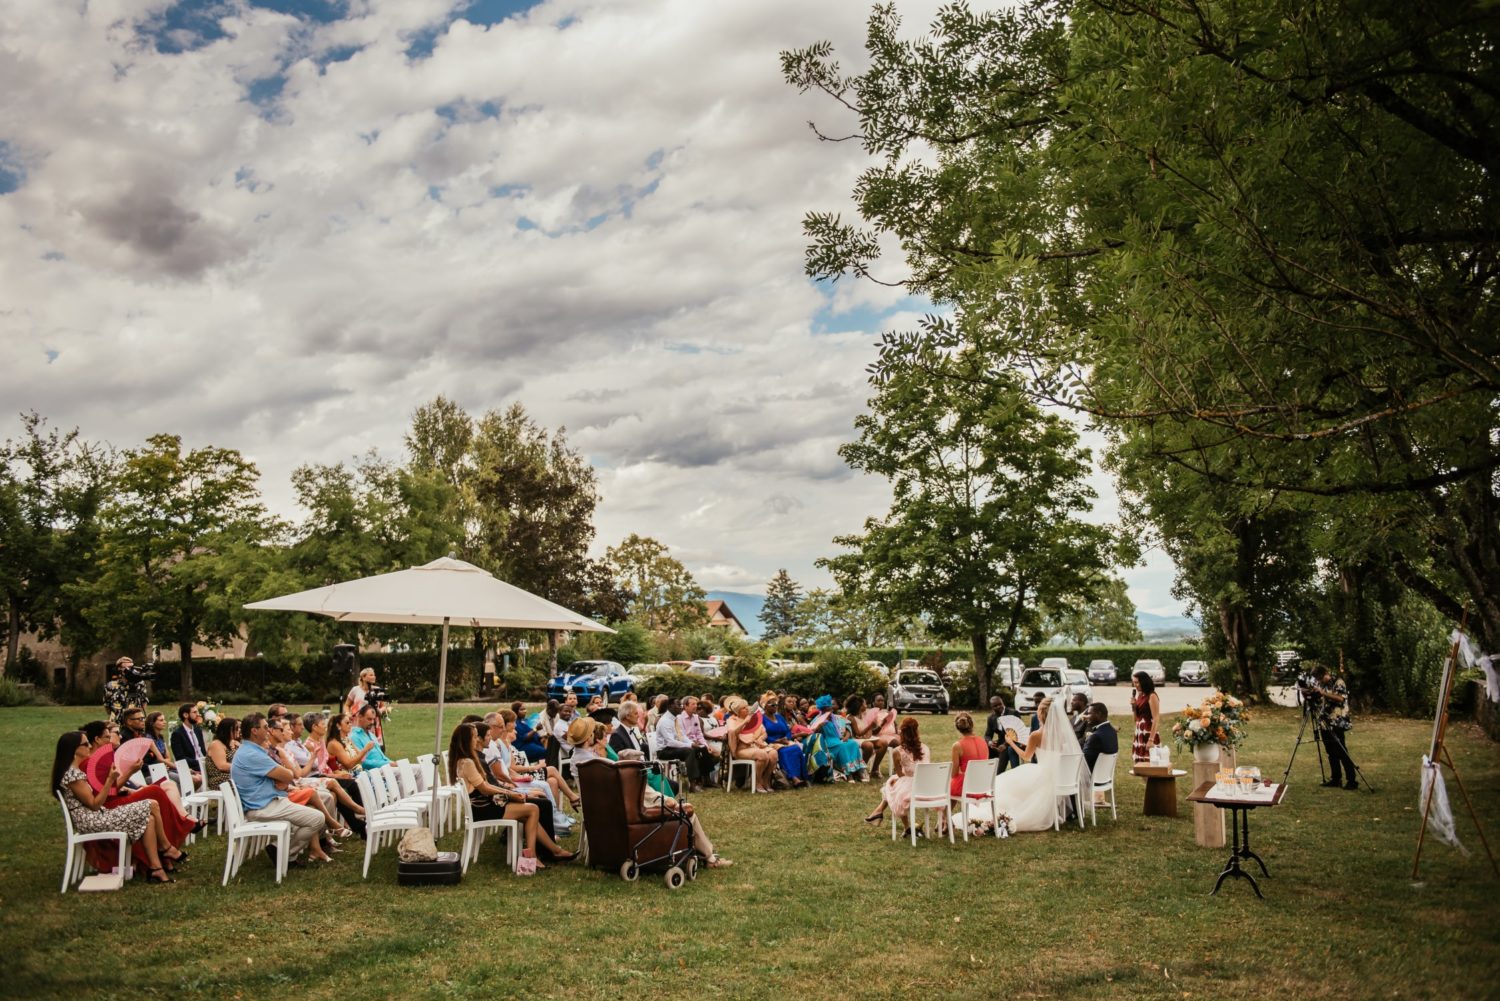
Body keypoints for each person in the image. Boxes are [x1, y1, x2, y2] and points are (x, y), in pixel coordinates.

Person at [52, 730, 178, 883]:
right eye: (85, 744)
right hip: (92, 820)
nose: (90, 746)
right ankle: (165, 848)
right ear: (74, 749)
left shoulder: (74, 772)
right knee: (152, 804)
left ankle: (156, 868)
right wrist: (109, 780)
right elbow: (94, 804)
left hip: (98, 815)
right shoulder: (73, 775)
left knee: (150, 819)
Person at [449, 722, 574, 866]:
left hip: (482, 806)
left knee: (529, 812)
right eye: (475, 736)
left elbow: (487, 785)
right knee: (533, 809)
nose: (477, 739)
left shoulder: (464, 760)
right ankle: (532, 856)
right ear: (467, 740)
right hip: (484, 809)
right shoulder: (468, 762)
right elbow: (484, 788)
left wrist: (509, 793)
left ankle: (554, 851)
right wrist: (511, 794)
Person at [230, 712, 332, 865]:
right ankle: (285, 854)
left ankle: (282, 849)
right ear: (254, 731)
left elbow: (284, 777)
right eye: (265, 727)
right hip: (263, 806)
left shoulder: (249, 750)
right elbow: (287, 775)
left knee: (314, 805)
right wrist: (283, 776)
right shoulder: (251, 754)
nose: (268, 731)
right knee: (317, 818)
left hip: (267, 800)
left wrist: (281, 777)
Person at [991, 698, 1075, 833]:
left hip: (1043, 773)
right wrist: (1029, 744)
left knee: (1006, 781)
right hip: (1058, 774)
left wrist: (1011, 742)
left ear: (1041, 713)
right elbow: (1048, 748)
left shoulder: (1036, 734)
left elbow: (1026, 757)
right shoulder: (1060, 732)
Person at [865, 716, 929, 829]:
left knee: (892, 784)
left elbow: (900, 775)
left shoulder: (897, 751)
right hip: (926, 786)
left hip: (912, 789)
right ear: (917, 731)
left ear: (902, 733)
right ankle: (878, 812)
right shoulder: (925, 748)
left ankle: (906, 826)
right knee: (893, 783)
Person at [1311, 663, 1358, 790]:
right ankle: (1336, 778)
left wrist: (1322, 693)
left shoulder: (1339, 682)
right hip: (1325, 721)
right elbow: (1321, 699)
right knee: (1330, 751)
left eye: (1320, 678)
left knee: (1341, 750)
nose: (1319, 681)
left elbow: (1340, 698)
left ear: (1326, 673)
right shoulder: (1322, 684)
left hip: (1337, 719)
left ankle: (1351, 780)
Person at [725, 697, 778, 793]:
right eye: (744, 708)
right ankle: (757, 782)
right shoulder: (732, 720)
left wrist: (759, 739)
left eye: (747, 707)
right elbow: (732, 732)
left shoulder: (754, 719)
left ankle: (765, 781)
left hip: (755, 746)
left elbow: (763, 732)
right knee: (762, 755)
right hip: (741, 749)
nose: (747, 709)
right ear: (738, 711)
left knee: (773, 754)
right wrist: (745, 721)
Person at [654, 697, 706, 791]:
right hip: (664, 751)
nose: (681, 707)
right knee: (689, 751)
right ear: (670, 706)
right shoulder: (665, 721)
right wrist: (690, 745)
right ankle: (692, 784)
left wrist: (691, 743)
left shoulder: (675, 719)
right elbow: (670, 742)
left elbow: (682, 736)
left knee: (699, 749)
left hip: (673, 748)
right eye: (679, 705)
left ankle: (701, 780)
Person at [760, 698, 808, 787]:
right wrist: (776, 740)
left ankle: (802, 777)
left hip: (784, 741)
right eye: (772, 705)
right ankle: (794, 778)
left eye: (776, 705)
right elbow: (762, 734)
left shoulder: (779, 717)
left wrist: (787, 738)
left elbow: (787, 730)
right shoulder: (762, 719)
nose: (775, 707)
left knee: (796, 749)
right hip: (771, 742)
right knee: (784, 751)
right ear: (765, 706)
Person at [948, 712, 989, 799]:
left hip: (969, 787)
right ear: (972, 725)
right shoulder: (983, 741)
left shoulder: (957, 745)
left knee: (950, 786)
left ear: (958, 728)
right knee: (955, 784)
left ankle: (945, 813)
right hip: (983, 785)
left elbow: (954, 774)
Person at [103, 657, 149, 723]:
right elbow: (107, 706)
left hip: (135, 722)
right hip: (117, 722)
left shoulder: (140, 684)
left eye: (131, 667)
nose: (130, 670)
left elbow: (144, 702)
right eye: (126, 667)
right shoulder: (110, 686)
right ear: (119, 669)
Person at [170, 702, 208, 781]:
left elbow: (202, 751)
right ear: (185, 715)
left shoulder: (198, 730)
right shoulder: (177, 734)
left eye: (197, 712)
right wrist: (199, 762)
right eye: (194, 712)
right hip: (192, 767)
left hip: (204, 764)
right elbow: (180, 758)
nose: (198, 714)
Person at [1130, 672, 1162, 763]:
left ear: (1143, 682)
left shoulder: (1152, 696)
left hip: (1148, 733)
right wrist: (1134, 707)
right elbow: (1136, 719)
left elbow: (1156, 718)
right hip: (1140, 733)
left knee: (1150, 763)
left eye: (1137, 682)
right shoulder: (1140, 695)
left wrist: (1151, 740)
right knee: (1140, 765)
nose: (1135, 685)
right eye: (1134, 682)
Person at [350, 704, 393, 770]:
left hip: (385, 767)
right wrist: (388, 764)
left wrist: (392, 763)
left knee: (411, 768)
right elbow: (363, 762)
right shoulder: (354, 736)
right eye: (369, 719)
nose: (372, 722)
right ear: (360, 717)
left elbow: (382, 757)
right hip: (374, 771)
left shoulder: (372, 735)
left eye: (373, 719)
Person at [1081, 702, 1119, 776]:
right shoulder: (1112, 731)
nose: (1087, 716)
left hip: (1090, 777)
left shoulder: (1096, 736)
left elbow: (1083, 761)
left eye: (1089, 714)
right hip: (1104, 776)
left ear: (1099, 714)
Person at [203, 717, 238, 791]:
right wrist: (242, 767)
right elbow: (222, 766)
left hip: (230, 775)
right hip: (220, 779)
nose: (238, 731)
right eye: (236, 728)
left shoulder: (231, 743)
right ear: (227, 730)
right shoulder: (216, 744)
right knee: (246, 780)